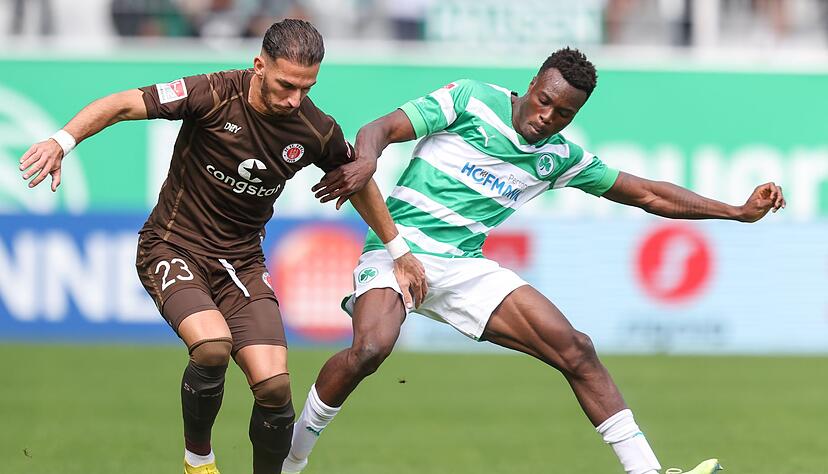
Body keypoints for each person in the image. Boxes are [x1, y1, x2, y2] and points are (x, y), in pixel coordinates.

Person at [282, 47, 786, 474]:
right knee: (371, 349)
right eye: (545, 101)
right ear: (531, 85)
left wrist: (737, 211)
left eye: (563, 113)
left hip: (463, 267)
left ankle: (647, 470)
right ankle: (291, 460)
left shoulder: (559, 157)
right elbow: (379, 128)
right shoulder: (469, 99)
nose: (547, 117)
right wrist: (368, 159)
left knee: (576, 349)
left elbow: (647, 193)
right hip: (398, 247)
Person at [18, 19, 427, 474]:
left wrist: (399, 252)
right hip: (172, 246)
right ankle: (199, 460)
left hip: (242, 265)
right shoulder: (212, 93)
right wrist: (62, 141)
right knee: (212, 345)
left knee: (274, 387)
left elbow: (357, 179)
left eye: (306, 88)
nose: (295, 99)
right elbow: (121, 105)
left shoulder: (314, 129)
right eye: (286, 85)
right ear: (259, 66)